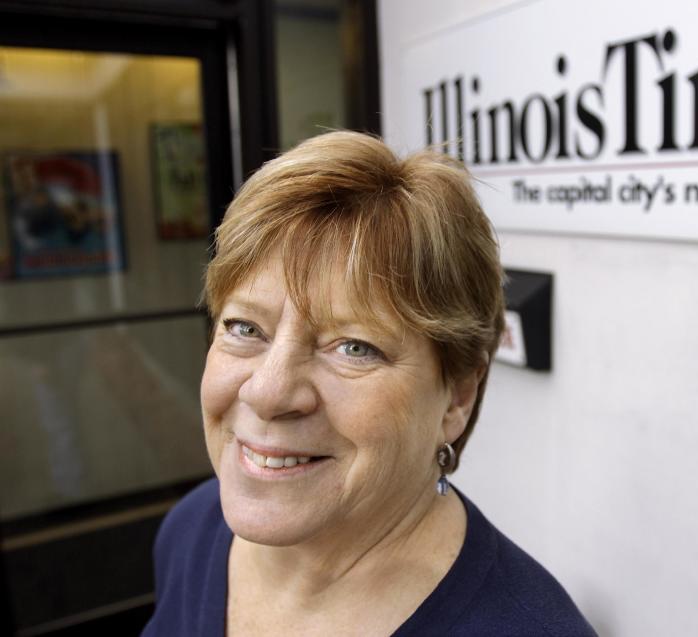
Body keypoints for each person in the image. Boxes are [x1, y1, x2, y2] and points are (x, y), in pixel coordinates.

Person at [143, 131, 596, 636]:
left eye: (354, 347)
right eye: (245, 328)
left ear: (457, 397)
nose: (267, 394)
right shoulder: (193, 529)